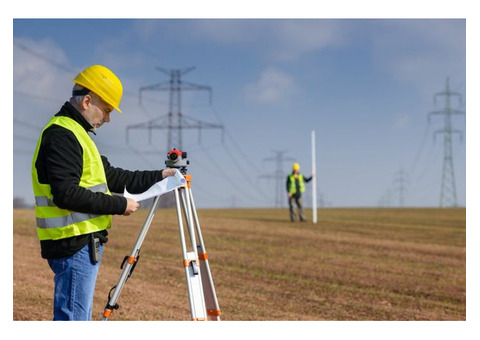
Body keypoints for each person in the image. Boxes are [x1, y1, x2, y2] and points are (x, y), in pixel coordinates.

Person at [31, 64, 176, 321]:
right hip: (73, 242)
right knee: (74, 321)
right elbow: (66, 194)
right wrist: (119, 205)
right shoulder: (63, 135)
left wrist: (160, 176)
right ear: (87, 101)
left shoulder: (78, 135)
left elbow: (116, 177)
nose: (108, 118)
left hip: (81, 242)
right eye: (107, 109)